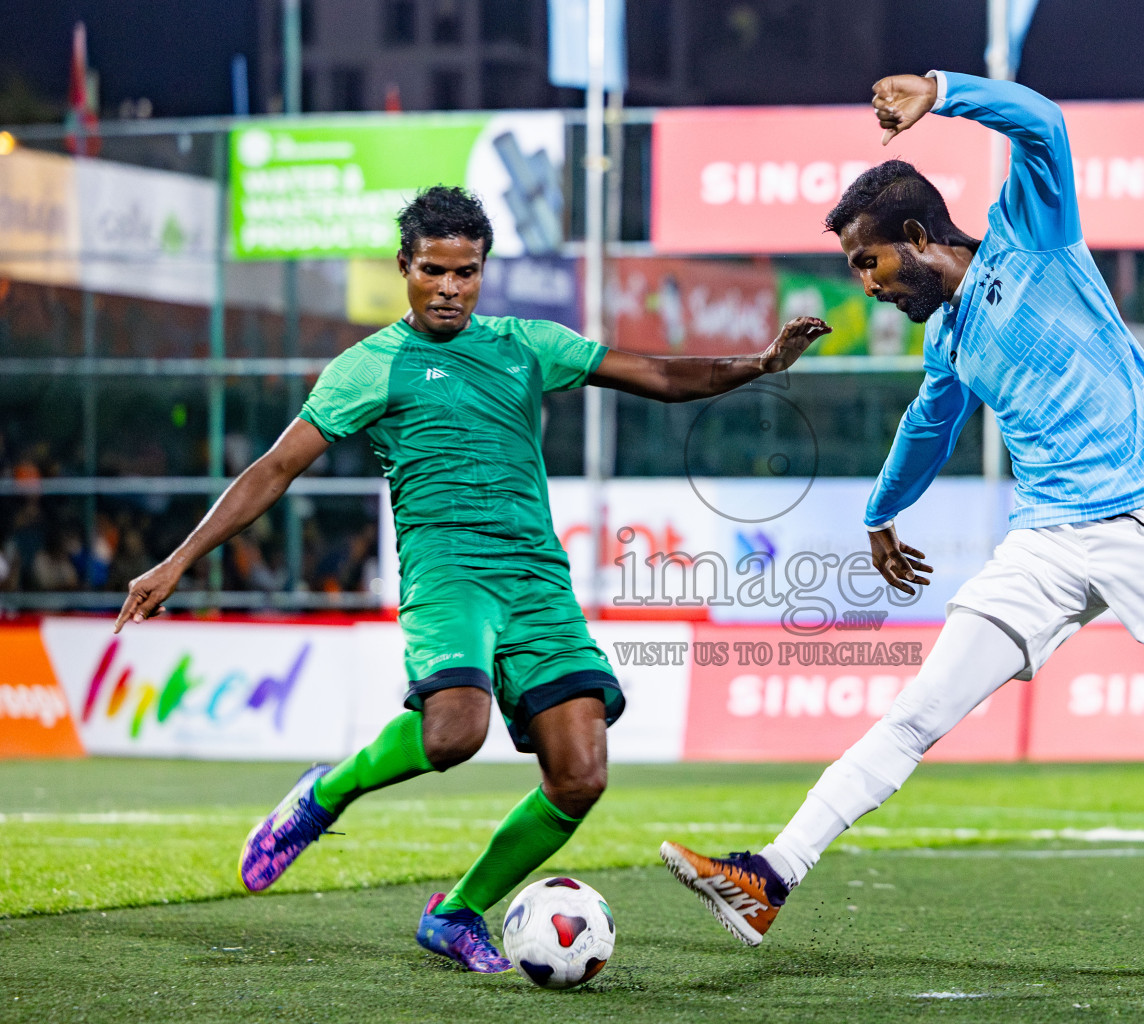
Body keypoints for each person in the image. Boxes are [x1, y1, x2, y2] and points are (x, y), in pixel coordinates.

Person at [660, 71, 1144, 966]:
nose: (866, 287)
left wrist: (940, 91)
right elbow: (929, 426)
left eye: (868, 262)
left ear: (918, 236)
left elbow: (1044, 123)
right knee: (914, 715)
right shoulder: (950, 336)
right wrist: (880, 512)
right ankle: (771, 877)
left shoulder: (1031, 235)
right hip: (1046, 542)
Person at [114, 185, 829, 973]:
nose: (450, 288)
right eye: (433, 272)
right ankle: (326, 795)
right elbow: (275, 467)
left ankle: (455, 912)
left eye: (466, 272)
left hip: (535, 581)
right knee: (454, 732)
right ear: (405, 267)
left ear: (483, 271)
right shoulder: (369, 368)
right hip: (448, 574)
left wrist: (762, 362)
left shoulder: (525, 345)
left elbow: (658, 376)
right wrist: (178, 561)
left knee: (581, 774)